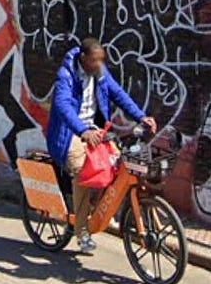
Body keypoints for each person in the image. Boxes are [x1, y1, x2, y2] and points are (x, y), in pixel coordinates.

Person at [46, 37, 156, 253]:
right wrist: (83, 131)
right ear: (83, 57)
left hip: (96, 130)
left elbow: (117, 93)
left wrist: (140, 116)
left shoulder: (99, 71)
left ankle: (99, 208)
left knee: (119, 163)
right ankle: (82, 231)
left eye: (101, 60)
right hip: (70, 133)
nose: (99, 64)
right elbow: (62, 105)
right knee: (84, 173)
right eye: (94, 60)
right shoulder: (66, 75)